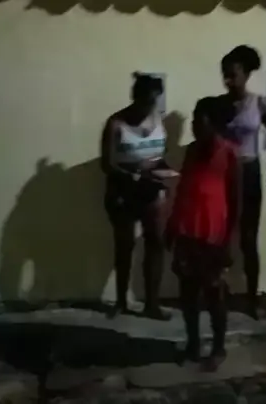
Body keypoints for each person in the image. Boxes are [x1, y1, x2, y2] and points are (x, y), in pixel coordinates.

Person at [166, 97, 240, 372]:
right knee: (187, 292)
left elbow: (236, 202)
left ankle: (218, 347)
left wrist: (228, 241)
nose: (194, 124)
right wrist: (172, 225)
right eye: (194, 118)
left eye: (200, 119)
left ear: (214, 123)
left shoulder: (230, 153)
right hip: (187, 230)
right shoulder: (192, 151)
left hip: (213, 235)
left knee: (214, 294)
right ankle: (193, 343)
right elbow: (183, 188)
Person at [101, 73, 175, 320]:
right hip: (123, 189)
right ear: (135, 97)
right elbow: (107, 164)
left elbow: (160, 154)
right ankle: (121, 301)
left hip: (152, 187)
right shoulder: (116, 123)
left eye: (153, 101)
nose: (149, 106)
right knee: (124, 245)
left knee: (156, 242)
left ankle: (152, 303)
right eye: (145, 101)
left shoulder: (158, 120)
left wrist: (163, 171)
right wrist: (132, 175)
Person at [219, 45, 266, 319]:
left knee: (248, 238)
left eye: (233, 74)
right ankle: (217, 296)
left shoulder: (257, 104)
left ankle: (252, 298)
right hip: (224, 174)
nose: (228, 80)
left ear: (246, 74)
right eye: (225, 74)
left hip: (250, 172)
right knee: (221, 235)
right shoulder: (219, 106)